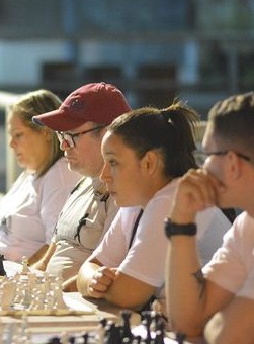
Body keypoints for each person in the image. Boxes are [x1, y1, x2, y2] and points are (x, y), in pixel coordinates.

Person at [76, 102, 231, 312]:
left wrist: (94, 285)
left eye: (112, 163)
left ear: (149, 163)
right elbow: (89, 267)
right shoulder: (134, 205)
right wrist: (93, 279)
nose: (103, 176)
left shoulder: (173, 201)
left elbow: (128, 296)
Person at [166, 92, 254, 343]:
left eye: (205, 156)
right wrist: (181, 221)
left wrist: (214, 322)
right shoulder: (246, 225)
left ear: (233, 163)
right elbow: (186, 323)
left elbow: (227, 336)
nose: (200, 169)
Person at [29, 82, 131, 290]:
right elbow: (48, 259)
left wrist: (50, 296)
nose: (63, 145)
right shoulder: (81, 183)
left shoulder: (125, 194)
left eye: (72, 136)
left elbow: (106, 273)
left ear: (107, 134)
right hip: (52, 300)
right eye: (61, 135)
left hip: (78, 308)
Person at [0, 89, 81, 263]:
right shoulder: (31, 173)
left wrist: (23, 276)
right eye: (11, 135)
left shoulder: (59, 177)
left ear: (45, 132)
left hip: (14, 276)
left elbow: (57, 245)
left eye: (18, 135)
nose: (11, 144)